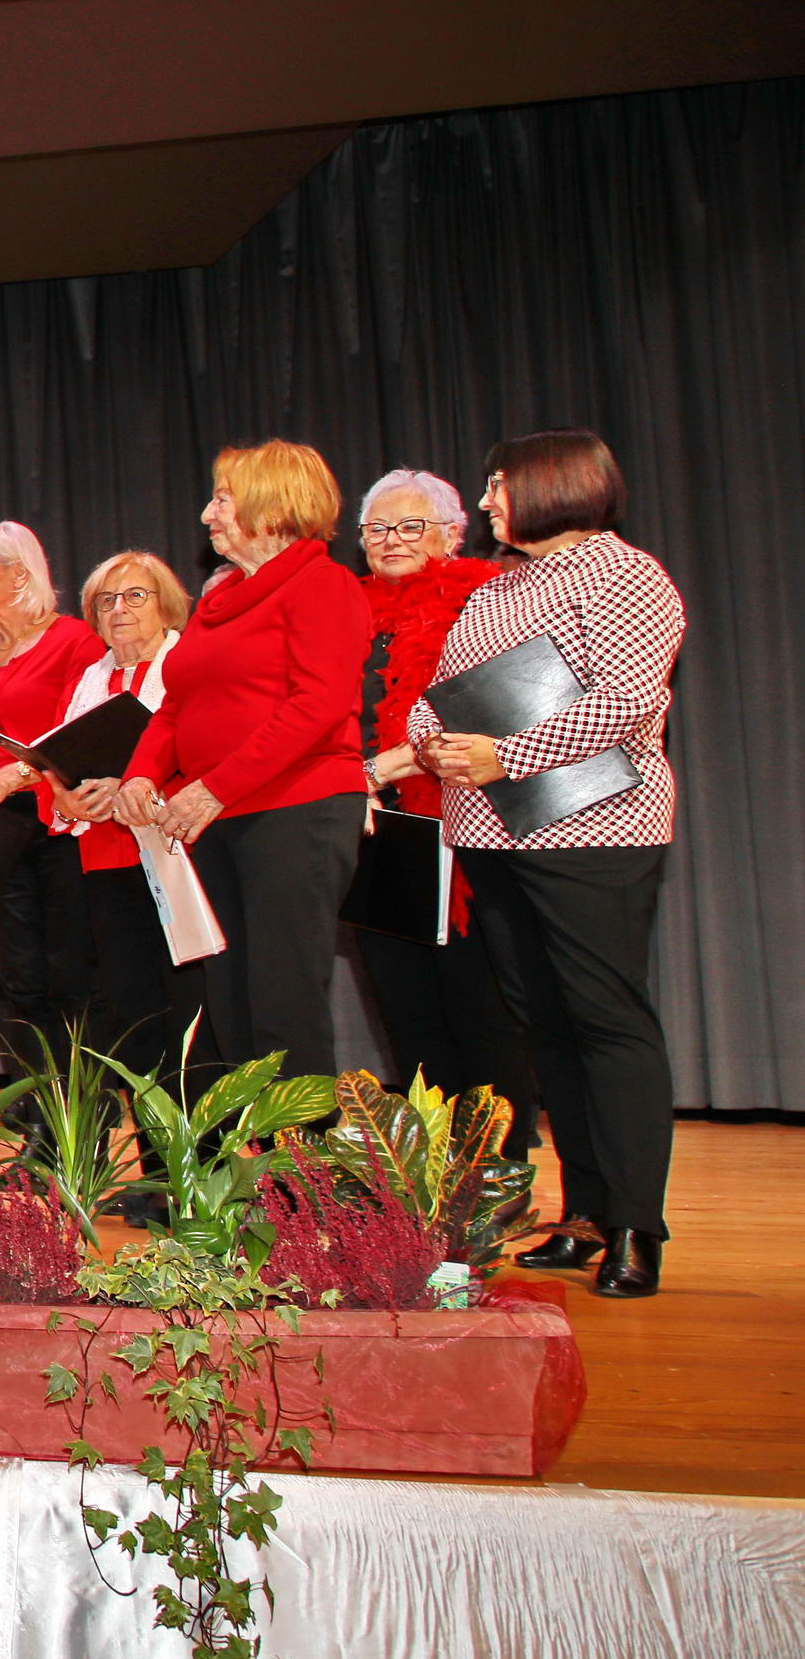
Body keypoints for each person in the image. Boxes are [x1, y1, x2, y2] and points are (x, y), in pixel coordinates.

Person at [408, 430, 687, 1298]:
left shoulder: (626, 575)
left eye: (497, 485)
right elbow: (436, 696)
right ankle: (586, 1214)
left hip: (596, 832)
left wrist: (507, 754)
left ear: (553, 485)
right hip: (495, 835)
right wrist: (432, 744)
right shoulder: (499, 587)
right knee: (548, 1030)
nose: (486, 501)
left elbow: (628, 700)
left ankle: (637, 1226)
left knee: (606, 1020)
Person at [117, 441, 370, 1078]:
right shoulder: (220, 600)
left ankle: (301, 1143)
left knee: (284, 1000)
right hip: (219, 819)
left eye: (223, 500)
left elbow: (319, 704)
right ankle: (246, 1142)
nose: (207, 515)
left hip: (298, 811)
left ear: (273, 506)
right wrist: (141, 774)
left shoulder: (324, 584)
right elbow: (175, 705)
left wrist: (214, 787)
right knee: (228, 1001)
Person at [345, 472, 542, 1158]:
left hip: (470, 824)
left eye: (411, 527)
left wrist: (381, 767)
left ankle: (497, 1168)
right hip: (378, 834)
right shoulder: (347, 614)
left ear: (453, 535)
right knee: (405, 1008)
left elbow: (483, 714)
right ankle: (431, 1169)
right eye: (377, 529)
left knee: (480, 1006)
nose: (391, 541)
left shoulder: (485, 601)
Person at [44, 553, 202, 1094]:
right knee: (131, 1009)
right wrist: (69, 802)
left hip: (181, 853)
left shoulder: (189, 666)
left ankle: (201, 1138)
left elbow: (205, 755)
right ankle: (153, 1139)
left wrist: (139, 785)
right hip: (106, 859)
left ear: (167, 606)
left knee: (189, 1003)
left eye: (136, 596)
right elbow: (56, 767)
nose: (119, 609)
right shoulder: (88, 679)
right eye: (106, 601)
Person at [0, 523, 106, 1053]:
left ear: (19, 574)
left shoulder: (75, 641)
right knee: (15, 976)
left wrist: (12, 773)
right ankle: (34, 1094)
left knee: (71, 971)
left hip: (62, 824)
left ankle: (82, 1099)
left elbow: (79, 735)